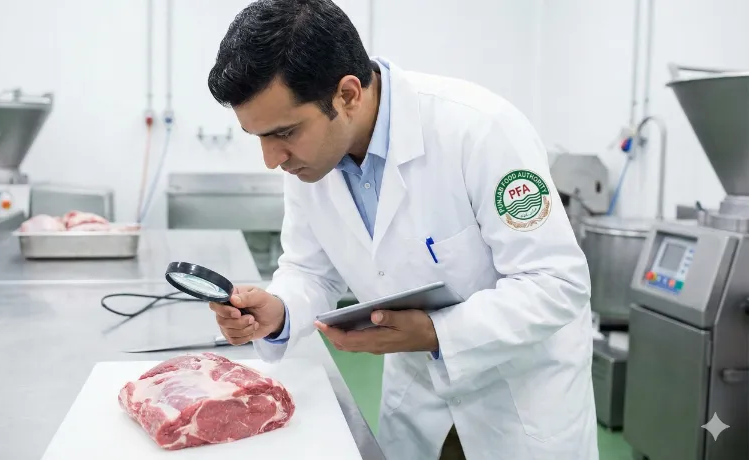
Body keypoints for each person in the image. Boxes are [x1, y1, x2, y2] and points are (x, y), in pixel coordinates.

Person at [205, 1, 599, 459]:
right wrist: (277, 310)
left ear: (347, 95)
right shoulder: (312, 163)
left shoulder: (480, 131)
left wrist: (436, 331)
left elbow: (557, 284)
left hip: (517, 412)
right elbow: (311, 271)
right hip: (419, 411)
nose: (272, 159)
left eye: (284, 133)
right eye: (259, 137)